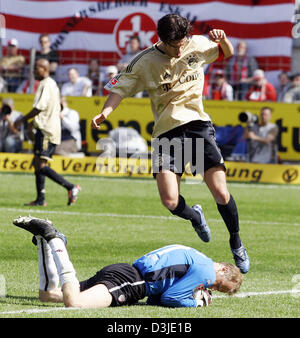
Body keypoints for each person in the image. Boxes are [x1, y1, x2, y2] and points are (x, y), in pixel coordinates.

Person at [91, 14, 250, 274]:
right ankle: (195, 216)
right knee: (169, 200)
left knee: (221, 193)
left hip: (198, 125)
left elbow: (226, 53)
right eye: (173, 44)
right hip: (166, 133)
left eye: (182, 42)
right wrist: (105, 112)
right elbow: (119, 87)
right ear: (161, 39)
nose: (179, 49)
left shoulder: (196, 44)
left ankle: (236, 241)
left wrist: (225, 40)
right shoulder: (144, 61)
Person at [13, 215, 243, 308]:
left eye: (217, 289)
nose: (212, 287)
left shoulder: (197, 255)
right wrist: (196, 303)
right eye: (219, 285)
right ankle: (55, 240)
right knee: (75, 303)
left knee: (50, 295)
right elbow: (170, 297)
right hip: (131, 282)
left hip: (122, 272)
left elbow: (157, 297)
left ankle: (43, 240)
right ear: (223, 268)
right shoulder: (205, 271)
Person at [13, 58, 81, 207]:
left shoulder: (46, 84)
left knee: (42, 165)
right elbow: (47, 109)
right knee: (37, 164)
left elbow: (39, 107)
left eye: (36, 69)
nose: (33, 72)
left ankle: (70, 187)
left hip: (47, 130)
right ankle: (40, 199)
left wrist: (22, 120)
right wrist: (32, 123)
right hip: (45, 128)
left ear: (44, 69)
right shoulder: (49, 84)